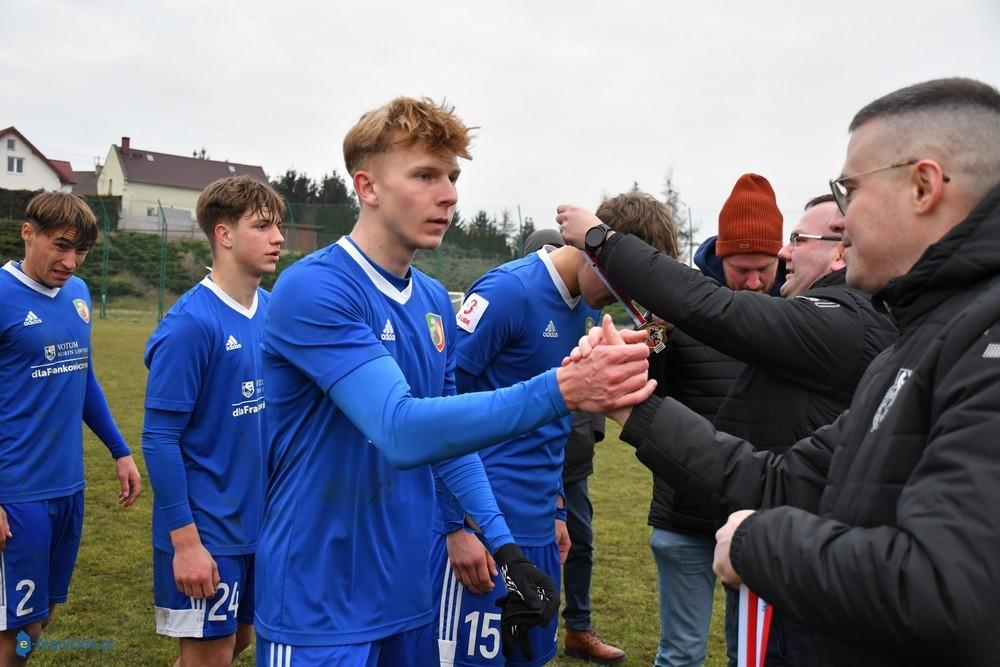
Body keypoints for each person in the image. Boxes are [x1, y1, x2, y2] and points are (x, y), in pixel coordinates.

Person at [593, 77, 1000, 666]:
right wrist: (632, 405)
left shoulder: (980, 341)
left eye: (850, 191)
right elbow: (783, 484)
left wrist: (758, 542)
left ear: (923, 186)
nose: (844, 221)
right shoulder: (913, 347)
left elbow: (949, 590)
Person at [253, 97, 655, 667]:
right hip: (321, 603)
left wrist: (507, 548)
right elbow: (400, 430)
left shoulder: (432, 301)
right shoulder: (315, 289)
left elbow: (450, 444)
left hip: (410, 594)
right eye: (425, 175)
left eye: (452, 176)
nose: (449, 194)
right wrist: (561, 391)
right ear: (366, 187)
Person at [559, 175, 896, 666]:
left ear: (841, 251)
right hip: (730, 512)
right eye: (746, 265)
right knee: (698, 651)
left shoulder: (834, 321)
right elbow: (768, 470)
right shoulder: (817, 319)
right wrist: (630, 372)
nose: (782, 257)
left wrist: (602, 240)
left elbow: (714, 310)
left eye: (797, 242)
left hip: (777, 532)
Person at [435, 193, 671, 667]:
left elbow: (554, 417)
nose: (626, 297)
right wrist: (453, 524)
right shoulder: (507, 292)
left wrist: (559, 506)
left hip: (540, 528)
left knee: (531, 658)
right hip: (484, 530)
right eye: (622, 279)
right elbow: (440, 409)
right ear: (592, 246)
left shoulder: (585, 306)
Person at [142, 176, 285, 667]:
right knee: (211, 655)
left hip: (260, 526)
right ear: (224, 235)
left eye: (278, 226)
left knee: (240, 641)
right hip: (207, 530)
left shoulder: (272, 311)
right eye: (263, 226)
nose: (279, 238)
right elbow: (159, 439)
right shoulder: (191, 324)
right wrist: (185, 542)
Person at [645, 174, 784, 667]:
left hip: (758, 518)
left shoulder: (799, 314)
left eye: (763, 269)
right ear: (719, 254)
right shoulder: (674, 308)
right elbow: (649, 393)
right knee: (681, 653)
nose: (752, 282)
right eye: (741, 268)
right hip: (684, 517)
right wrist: (651, 337)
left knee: (749, 653)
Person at [0, 192, 141, 662]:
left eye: (80, 250)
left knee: (42, 618)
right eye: (60, 245)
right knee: (17, 624)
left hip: (69, 487)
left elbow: (82, 375)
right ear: (28, 232)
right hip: (18, 492)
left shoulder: (77, 294)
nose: (70, 261)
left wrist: (119, 450)